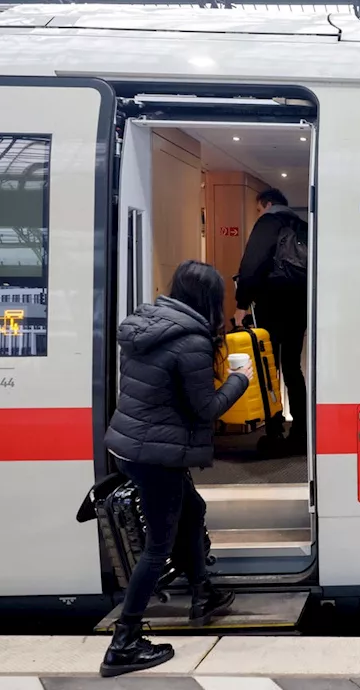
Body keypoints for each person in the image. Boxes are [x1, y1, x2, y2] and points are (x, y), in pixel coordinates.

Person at [99, 260, 252, 677]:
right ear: (209, 300)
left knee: (193, 510)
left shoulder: (147, 326)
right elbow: (206, 410)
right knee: (158, 547)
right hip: (157, 455)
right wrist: (240, 378)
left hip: (132, 446)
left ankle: (203, 592)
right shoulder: (192, 342)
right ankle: (124, 643)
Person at [234, 188, 308, 453]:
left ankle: (274, 430)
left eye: (258, 208)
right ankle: (301, 429)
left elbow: (252, 264)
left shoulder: (268, 222)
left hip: (272, 303)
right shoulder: (302, 225)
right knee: (292, 368)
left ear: (265, 204)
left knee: (269, 367)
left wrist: (242, 304)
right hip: (299, 304)